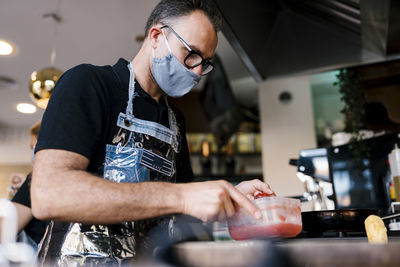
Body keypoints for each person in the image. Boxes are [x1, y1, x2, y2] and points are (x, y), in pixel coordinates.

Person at [31, 0, 274, 265]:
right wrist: (182, 197)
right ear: (157, 36)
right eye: (191, 54)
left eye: (204, 62)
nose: (197, 71)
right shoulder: (89, 84)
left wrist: (231, 196)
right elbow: (49, 195)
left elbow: (182, 207)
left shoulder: (174, 120)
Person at [0, 121, 47, 247]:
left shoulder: (38, 178)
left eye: (33, 147)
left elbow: (4, 230)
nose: (33, 152)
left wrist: (29, 181)